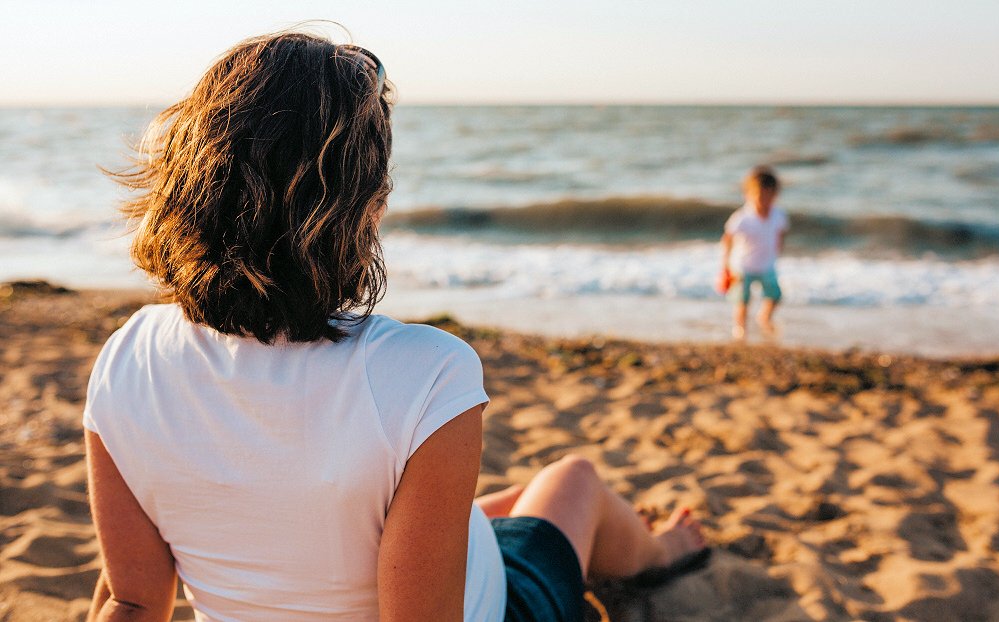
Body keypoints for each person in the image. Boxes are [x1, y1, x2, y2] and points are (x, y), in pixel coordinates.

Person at [83, 28, 706, 622]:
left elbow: (133, 603)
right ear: (367, 205)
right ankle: (670, 552)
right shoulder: (427, 372)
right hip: (500, 608)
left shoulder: (126, 357)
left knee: (499, 508)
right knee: (574, 481)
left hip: (376, 558)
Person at [720, 166, 789, 340]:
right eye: (760, 196)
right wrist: (725, 265)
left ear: (775, 195)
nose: (764, 201)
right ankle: (740, 329)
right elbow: (727, 239)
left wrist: (777, 251)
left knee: (775, 295)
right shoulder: (742, 217)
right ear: (748, 194)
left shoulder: (778, 215)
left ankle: (764, 317)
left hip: (767, 264)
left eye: (769, 196)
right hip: (743, 266)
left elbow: (780, 233)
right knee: (742, 300)